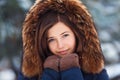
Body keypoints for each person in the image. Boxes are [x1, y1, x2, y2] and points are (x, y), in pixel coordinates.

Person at [18, 0, 110, 80]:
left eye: (65, 35)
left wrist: (71, 70)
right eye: (51, 40)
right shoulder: (30, 76)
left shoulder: (95, 73)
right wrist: (50, 73)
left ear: (78, 33)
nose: (60, 45)